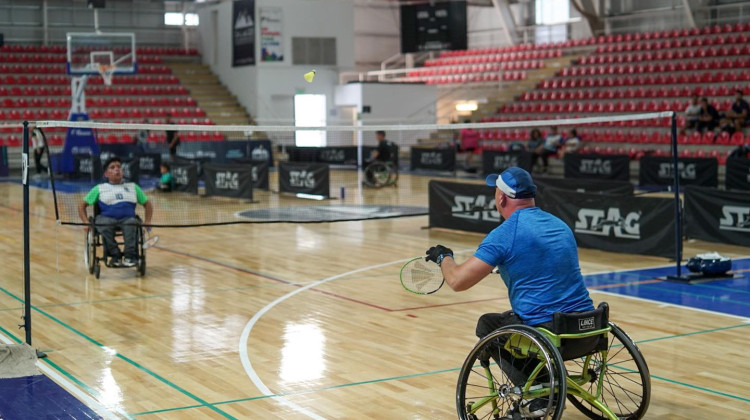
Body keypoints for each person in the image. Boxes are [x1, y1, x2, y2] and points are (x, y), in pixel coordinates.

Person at [425, 167, 594, 417]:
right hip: (588, 330)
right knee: (513, 319)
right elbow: (546, 266)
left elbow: (458, 281)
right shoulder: (560, 225)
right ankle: (548, 380)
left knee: (488, 325)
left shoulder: (505, 235)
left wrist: (444, 257)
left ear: (501, 198)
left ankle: (541, 391)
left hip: (551, 334)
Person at [78, 156, 153, 268]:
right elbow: (81, 205)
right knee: (104, 224)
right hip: (106, 218)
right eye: (112, 167)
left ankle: (130, 256)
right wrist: (85, 222)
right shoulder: (99, 188)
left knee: (132, 223)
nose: (117, 169)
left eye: (119, 167)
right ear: (106, 174)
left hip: (128, 219)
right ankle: (115, 255)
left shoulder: (133, 187)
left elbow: (148, 204)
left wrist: (147, 221)